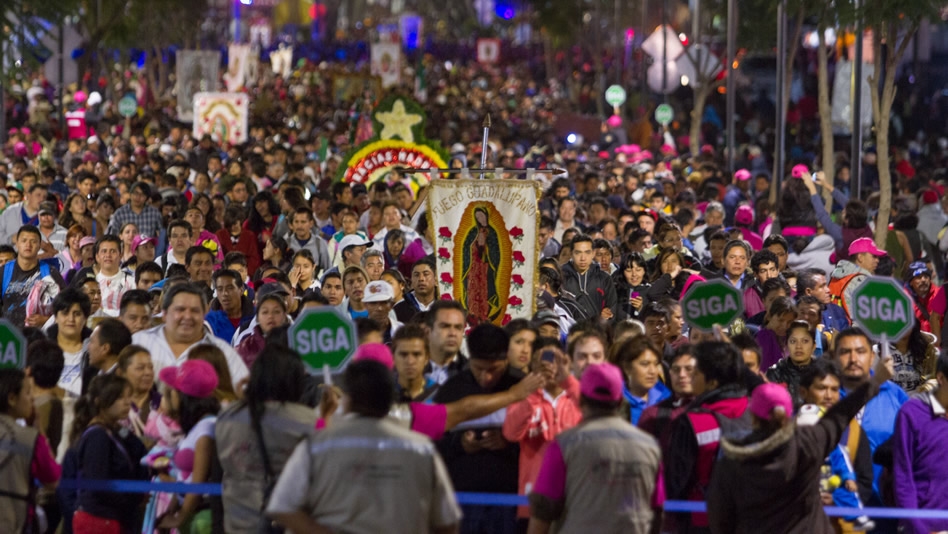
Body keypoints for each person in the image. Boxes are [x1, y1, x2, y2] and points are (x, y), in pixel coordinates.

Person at [267, 359, 462, 534]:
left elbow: (282, 507)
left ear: (348, 399)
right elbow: (448, 522)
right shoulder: (422, 449)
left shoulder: (316, 447)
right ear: (389, 400)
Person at [706, 353, 894, 534]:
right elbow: (840, 416)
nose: (829, 395)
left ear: (753, 416)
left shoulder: (732, 458)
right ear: (788, 413)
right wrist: (876, 380)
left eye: (834, 389)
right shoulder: (807, 445)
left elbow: (719, 517)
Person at [527, 362, 664, 534]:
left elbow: (543, 510)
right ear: (620, 400)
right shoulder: (649, 447)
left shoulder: (564, 445)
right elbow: (657, 510)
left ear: (582, 399)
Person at [434, 322, 523, 534]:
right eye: (479, 369)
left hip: (511, 503)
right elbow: (432, 446)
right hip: (460, 502)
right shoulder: (452, 391)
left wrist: (508, 443)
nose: (486, 377)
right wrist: (460, 444)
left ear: (506, 358)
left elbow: (541, 446)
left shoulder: (522, 388)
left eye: (494, 369)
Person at [216, 345, 315, 534]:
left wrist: (244, 398)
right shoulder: (306, 421)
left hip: (238, 523)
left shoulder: (227, 417)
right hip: (287, 523)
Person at [667, 341, 754, 533]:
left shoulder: (692, 421)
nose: (690, 378)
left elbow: (677, 483)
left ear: (712, 382)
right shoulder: (757, 413)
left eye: (695, 373)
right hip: (754, 520)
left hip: (703, 522)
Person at [832, 327, 908, 507]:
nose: (853, 359)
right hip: (837, 507)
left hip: (886, 506)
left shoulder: (895, 394)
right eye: (845, 352)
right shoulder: (825, 394)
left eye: (860, 351)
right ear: (835, 358)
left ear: (872, 357)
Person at [64, 374, 148, 534]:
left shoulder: (111, 430)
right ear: (99, 402)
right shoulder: (98, 436)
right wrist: (134, 498)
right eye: (119, 397)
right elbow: (98, 485)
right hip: (99, 520)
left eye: (128, 397)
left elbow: (138, 447)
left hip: (111, 518)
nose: (126, 402)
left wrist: (119, 428)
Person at [132, 283, 249, 387]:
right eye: (180, 310)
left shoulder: (222, 352)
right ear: (164, 314)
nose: (188, 316)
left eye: (195, 310)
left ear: (204, 314)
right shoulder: (140, 342)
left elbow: (244, 393)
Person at [156, 359, 221, 532]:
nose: (169, 395)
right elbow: (186, 477)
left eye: (173, 391)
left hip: (201, 519)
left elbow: (198, 484)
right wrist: (172, 510)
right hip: (191, 517)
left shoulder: (207, 428)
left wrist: (180, 518)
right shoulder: (197, 427)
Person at [892, 352, 948, 534]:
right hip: (923, 527)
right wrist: (919, 529)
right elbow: (903, 478)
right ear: (941, 378)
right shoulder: (912, 414)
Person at [0, 367, 61, 534]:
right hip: (14, 523)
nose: (32, 399)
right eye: (28, 393)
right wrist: (38, 429)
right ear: (12, 399)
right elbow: (53, 479)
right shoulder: (29, 438)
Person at [0, 225, 65, 328]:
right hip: (9, 338)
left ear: (39, 246)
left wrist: (47, 320)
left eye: (33, 241)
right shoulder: (4, 272)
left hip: (39, 336)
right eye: (24, 240)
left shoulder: (50, 272)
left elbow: (65, 307)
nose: (28, 245)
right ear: (16, 244)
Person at [610, 335, 671, 424]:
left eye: (655, 364)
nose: (652, 371)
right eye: (645, 364)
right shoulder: (614, 401)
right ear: (627, 368)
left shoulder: (667, 398)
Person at [560, 234, 617, 321]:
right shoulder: (561, 277)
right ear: (571, 253)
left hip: (596, 331)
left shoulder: (604, 278)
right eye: (578, 253)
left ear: (593, 253)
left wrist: (606, 316)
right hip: (569, 330)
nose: (583, 258)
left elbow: (612, 307)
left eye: (587, 252)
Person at [829, 238, 885, 320]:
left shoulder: (837, 276)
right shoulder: (862, 281)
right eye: (874, 256)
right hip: (853, 331)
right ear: (860, 257)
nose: (877, 260)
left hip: (834, 328)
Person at [765, 320, 816, 407]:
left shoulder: (823, 372)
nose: (798, 346)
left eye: (805, 341)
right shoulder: (775, 373)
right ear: (787, 345)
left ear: (814, 346)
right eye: (793, 341)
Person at [115, 345, 159, 441]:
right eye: (140, 368)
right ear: (121, 373)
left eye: (150, 367)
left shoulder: (163, 404)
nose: (148, 372)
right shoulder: (112, 406)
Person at [206, 269, 255, 344]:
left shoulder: (256, 317)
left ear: (241, 290)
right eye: (220, 289)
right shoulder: (209, 322)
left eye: (230, 288)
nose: (225, 293)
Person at [425, 300, 468, 384]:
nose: (452, 333)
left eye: (458, 327)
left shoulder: (473, 373)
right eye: (445, 326)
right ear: (428, 332)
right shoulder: (411, 369)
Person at [756, 296, 798, 370]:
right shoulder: (763, 338)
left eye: (790, 322)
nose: (785, 326)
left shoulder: (791, 337)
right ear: (769, 317)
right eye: (780, 320)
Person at [393, 257, 438, 322]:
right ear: (411, 281)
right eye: (416, 275)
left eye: (426, 274)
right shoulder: (399, 309)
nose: (421, 279)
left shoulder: (445, 306)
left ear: (436, 280)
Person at [362, 279, 401, 344]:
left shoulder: (401, 330)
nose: (379, 308)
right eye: (373, 303)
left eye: (383, 302)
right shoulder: (356, 332)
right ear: (365, 305)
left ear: (391, 305)